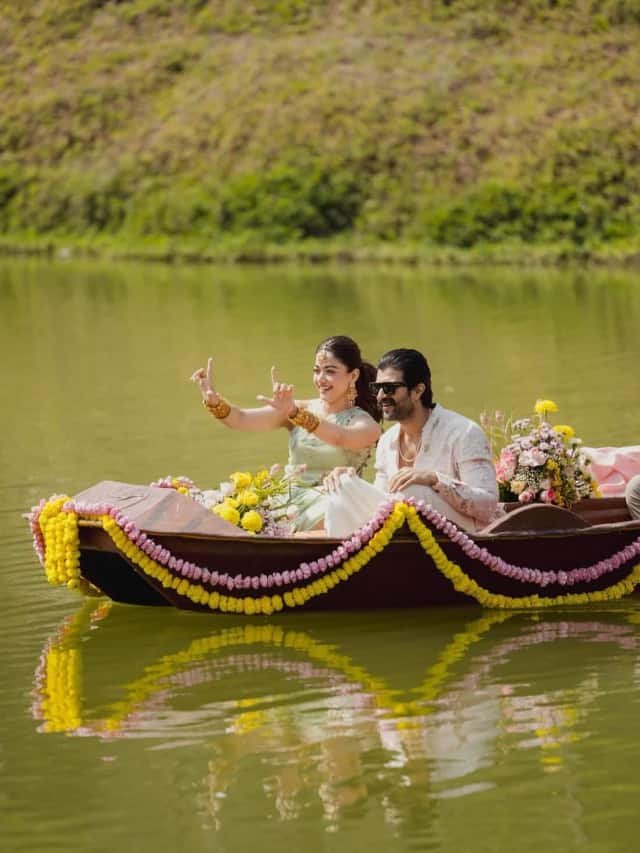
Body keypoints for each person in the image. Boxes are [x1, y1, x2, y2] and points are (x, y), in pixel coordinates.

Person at [190, 336, 381, 532]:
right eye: (316, 371)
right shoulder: (297, 408)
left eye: (330, 371)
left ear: (354, 376)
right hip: (286, 498)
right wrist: (213, 400)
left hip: (331, 503)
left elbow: (339, 437)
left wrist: (294, 414)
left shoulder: (365, 424)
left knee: (333, 517)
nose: (320, 379)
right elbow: (240, 419)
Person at [324, 348, 499, 536]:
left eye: (390, 388)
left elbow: (488, 505)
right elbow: (382, 501)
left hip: (465, 538)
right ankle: (341, 558)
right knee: (340, 484)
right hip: (400, 536)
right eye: (377, 388)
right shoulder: (387, 440)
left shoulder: (463, 432)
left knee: (413, 490)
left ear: (417, 391)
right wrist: (353, 482)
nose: (381, 396)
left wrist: (434, 479)